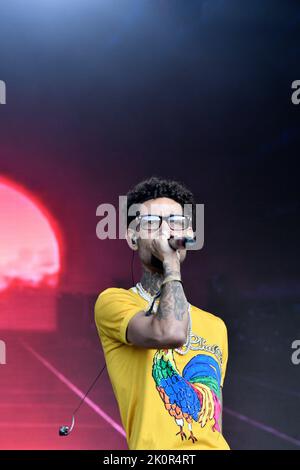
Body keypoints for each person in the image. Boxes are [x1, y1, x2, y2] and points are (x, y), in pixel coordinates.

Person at [95, 176, 229, 450]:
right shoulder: (114, 302)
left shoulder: (216, 326)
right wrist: (170, 262)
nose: (165, 231)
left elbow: (213, 419)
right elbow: (169, 332)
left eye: (175, 222)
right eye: (152, 223)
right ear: (133, 237)